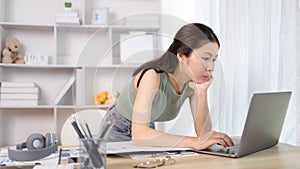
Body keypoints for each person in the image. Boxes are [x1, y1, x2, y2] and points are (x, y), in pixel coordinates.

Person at [100, 23, 234, 150]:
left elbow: (203, 135)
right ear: (182, 56)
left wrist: (202, 92)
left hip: (146, 130)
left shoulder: (192, 84)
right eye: (205, 58)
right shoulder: (152, 76)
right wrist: (193, 142)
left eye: (214, 59)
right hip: (117, 128)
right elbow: (139, 135)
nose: (211, 67)